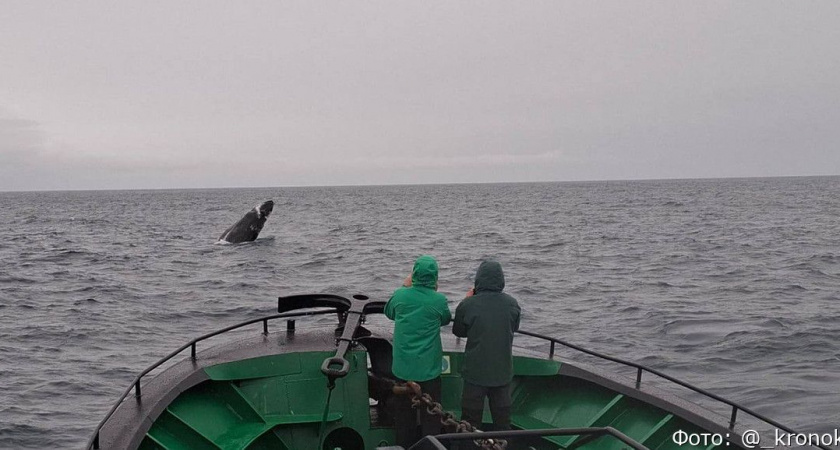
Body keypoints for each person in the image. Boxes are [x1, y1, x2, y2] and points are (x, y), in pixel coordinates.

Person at [384, 255, 452, 448]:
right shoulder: (438, 300)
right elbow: (446, 319)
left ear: (413, 274)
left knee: (404, 419)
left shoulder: (400, 295)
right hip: (429, 370)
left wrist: (405, 287)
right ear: (435, 277)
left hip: (403, 370)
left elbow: (388, 312)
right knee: (432, 418)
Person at [453, 260, 521, 431]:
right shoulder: (512, 304)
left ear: (478, 280)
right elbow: (515, 326)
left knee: (469, 423)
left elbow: (458, 331)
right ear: (501, 280)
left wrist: (468, 300)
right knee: (503, 423)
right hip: (502, 373)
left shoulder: (468, 304)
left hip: (475, 373)